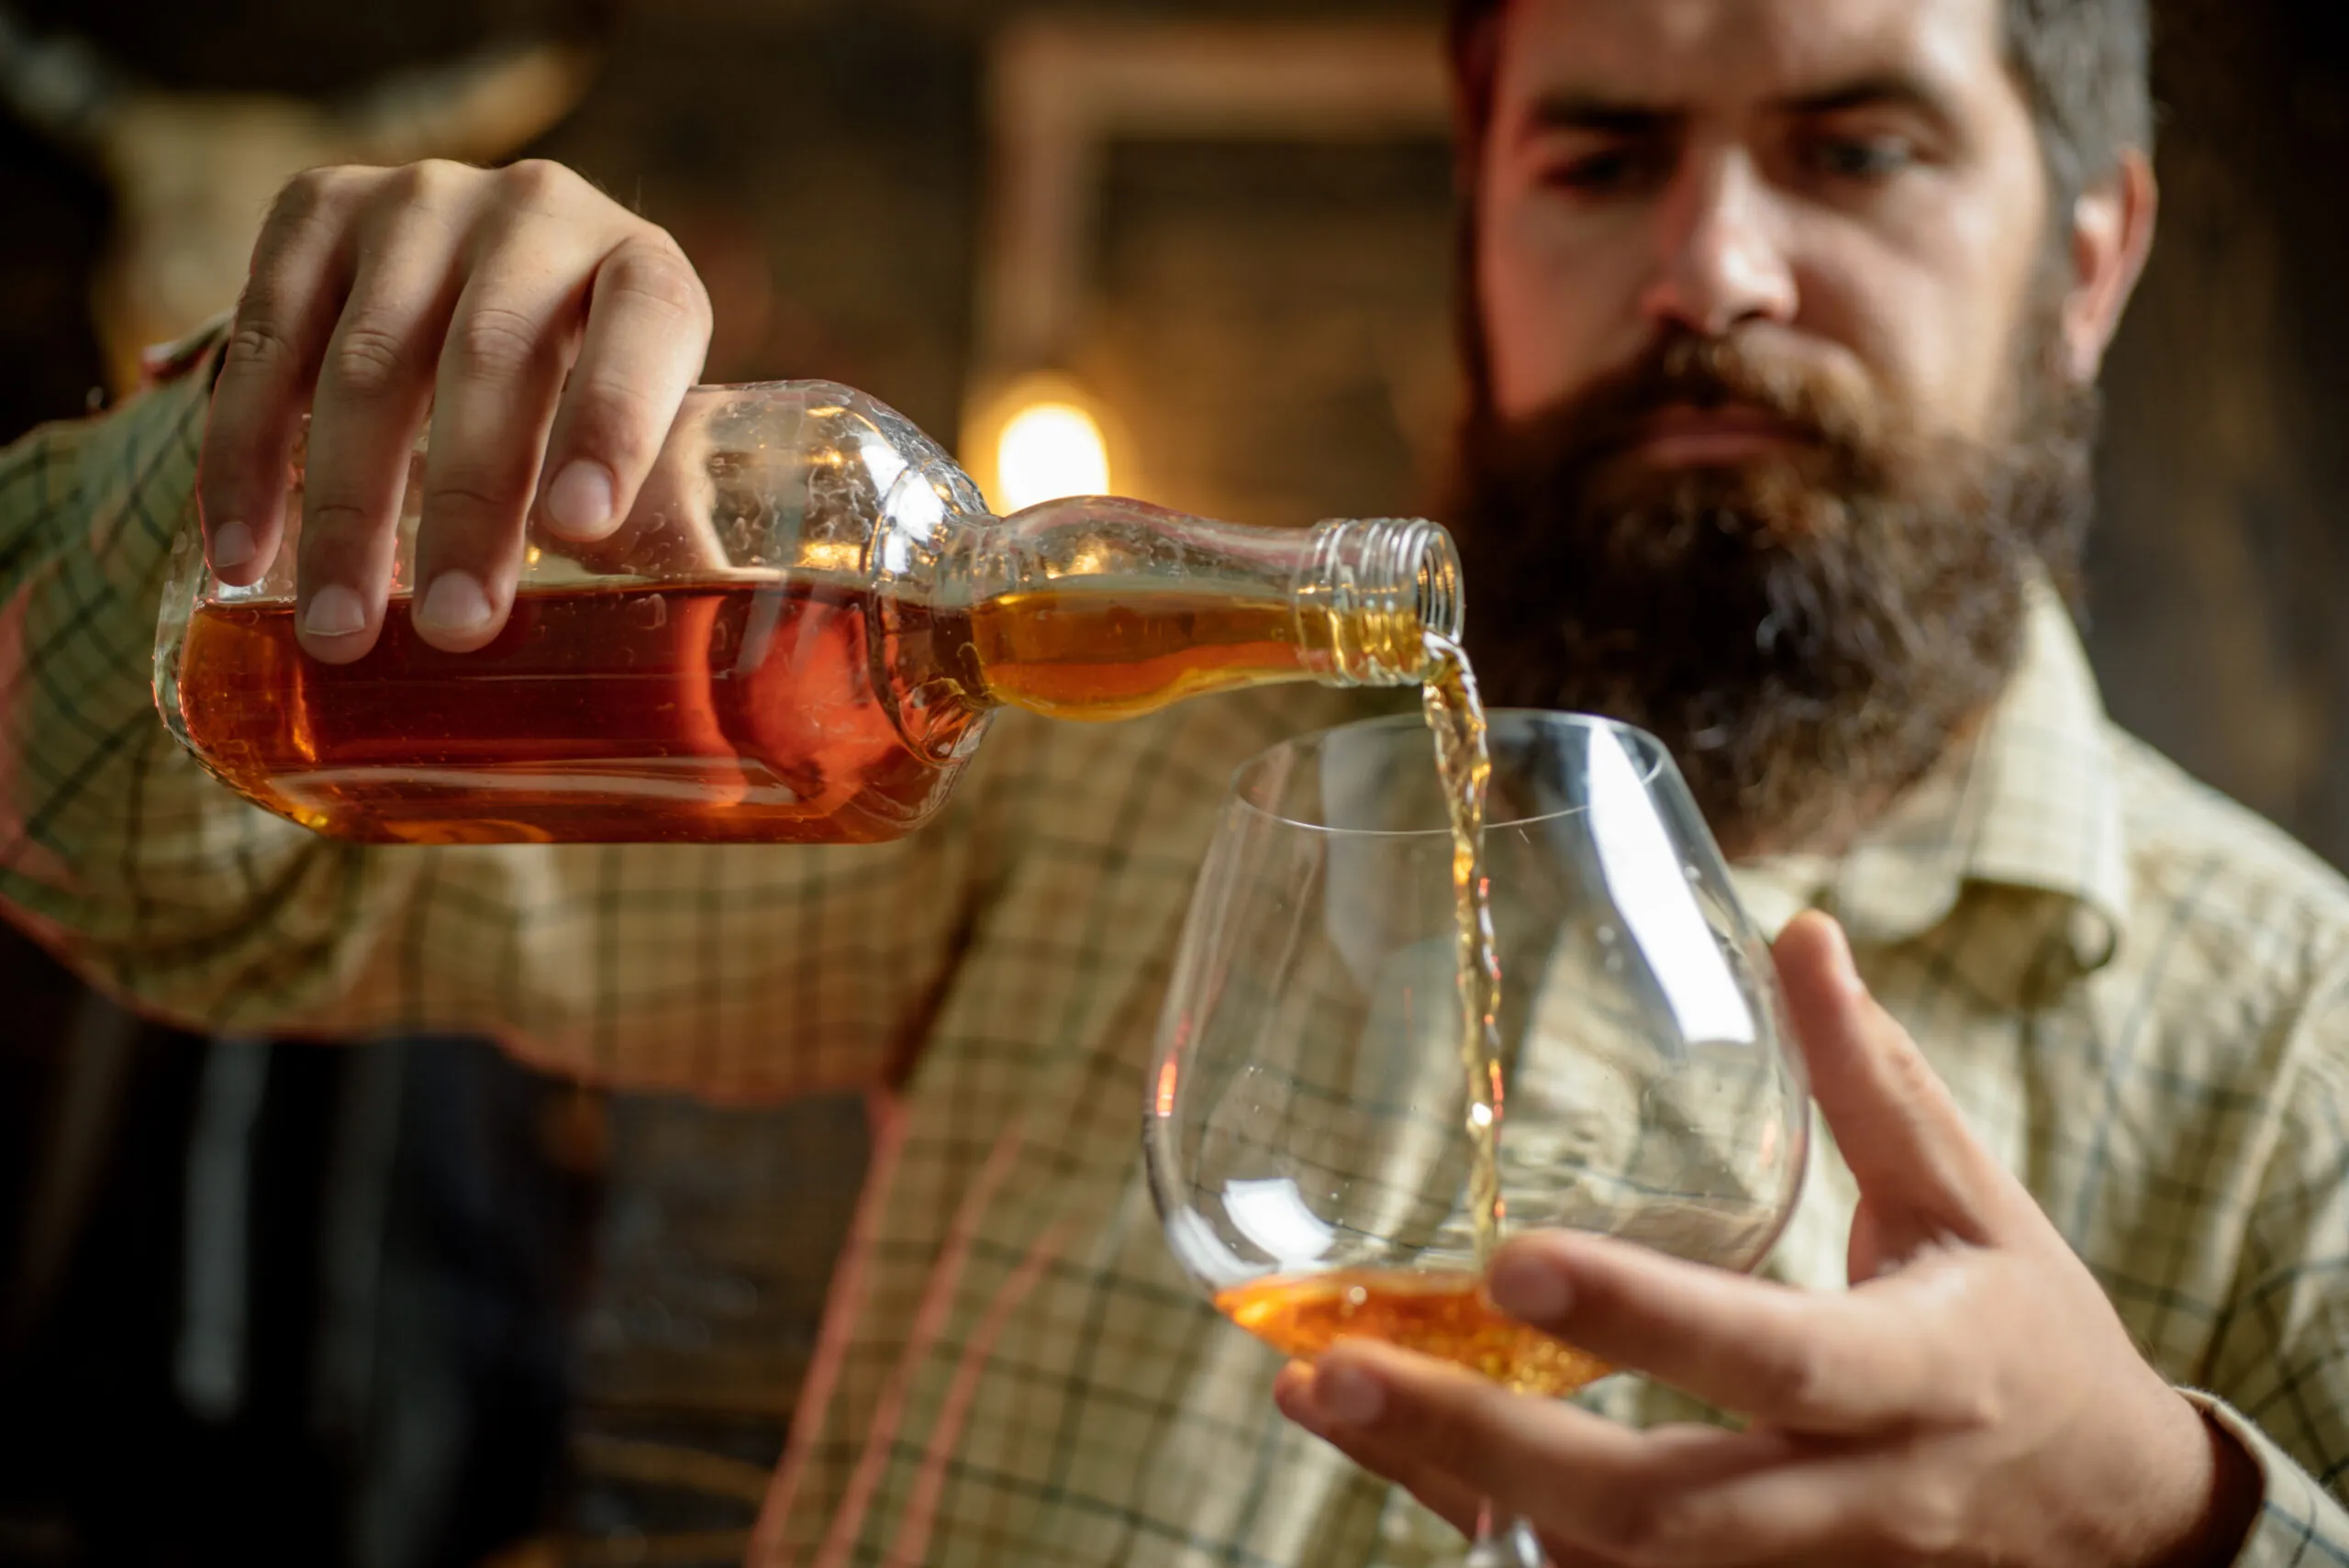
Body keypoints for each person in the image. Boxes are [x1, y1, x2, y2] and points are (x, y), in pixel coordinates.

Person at [1, 0, 2343, 1561]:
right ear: (1477, 230)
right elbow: (151, 869)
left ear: (2085, 256)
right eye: (1601, 155)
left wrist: (2172, 1518)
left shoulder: (2291, 1028)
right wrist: (268, 459)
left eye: (1855, 148)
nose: (1706, 266)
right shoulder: (1059, 747)